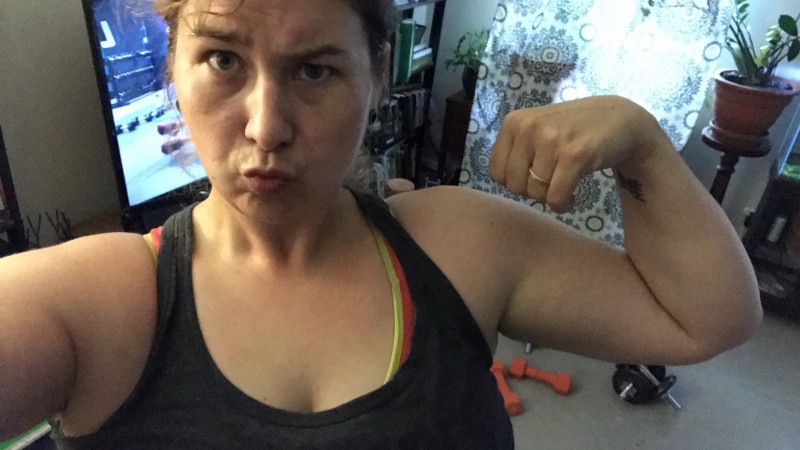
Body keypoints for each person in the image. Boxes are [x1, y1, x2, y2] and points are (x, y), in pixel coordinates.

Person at [0, 0, 761, 447]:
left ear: (377, 75)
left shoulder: (462, 245)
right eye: (224, 60)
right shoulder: (96, 302)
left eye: (315, 70)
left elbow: (704, 321)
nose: (266, 127)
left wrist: (643, 148)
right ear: (174, 70)